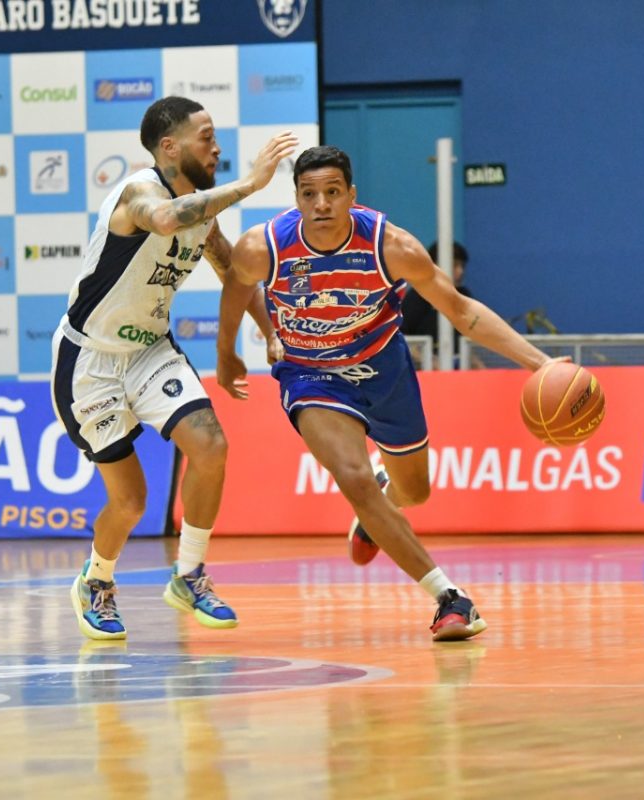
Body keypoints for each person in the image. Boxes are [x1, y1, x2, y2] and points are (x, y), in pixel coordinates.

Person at [215, 145, 555, 642]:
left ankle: (374, 517)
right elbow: (236, 286)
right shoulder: (262, 246)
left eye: (333, 192)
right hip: (311, 374)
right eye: (309, 194)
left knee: (414, 492)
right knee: (353, 478)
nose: (321, 204)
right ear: (297, 199)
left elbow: (461, 312)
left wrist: (539, 363)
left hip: (383, 368)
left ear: (351, 195)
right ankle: (449, 598)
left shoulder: (391, 246)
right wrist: (228, 350)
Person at [53, 96, 297, 640]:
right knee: (131, 501)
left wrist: (267, 331)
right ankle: (97, 580)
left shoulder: (201, 213)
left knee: (211, 445)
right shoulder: (139, 194)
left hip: (150, 350)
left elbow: (234, 271)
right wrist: (252, 184)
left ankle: (189, 574)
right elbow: (164, 219)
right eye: (206, 137)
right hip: (91, 359)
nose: (217, 148)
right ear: (169, 147)